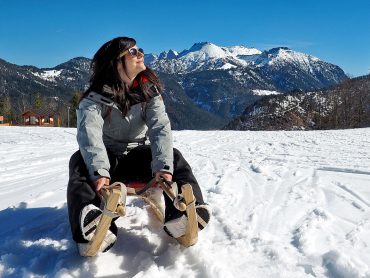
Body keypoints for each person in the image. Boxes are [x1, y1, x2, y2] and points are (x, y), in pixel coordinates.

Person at [67, 36, 211, 254]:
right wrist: (100, 172)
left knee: (175, 157)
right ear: (116, 62)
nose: (140, 54)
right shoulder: (94, 99)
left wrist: (163, 168)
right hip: (109, 163)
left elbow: (160, 129)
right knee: (78, 161)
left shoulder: (148, 92)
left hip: (137, 157)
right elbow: (90, 136)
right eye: (132, 52)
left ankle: (183, 214)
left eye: (139, 49)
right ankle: (89, 222)